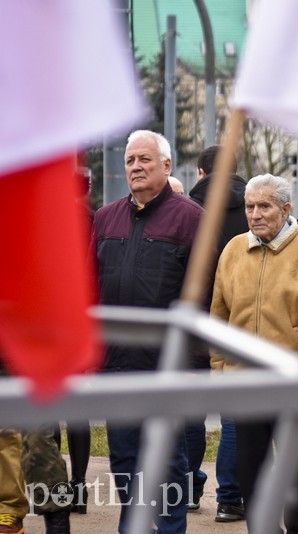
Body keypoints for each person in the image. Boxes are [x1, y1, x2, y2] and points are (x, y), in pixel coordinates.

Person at [93, 129, 204, 534]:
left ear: (167, 166)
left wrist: (194, 361)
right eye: (130, 161)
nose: (136, 167)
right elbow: (91, 288)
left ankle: (171, 528)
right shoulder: (106, 218)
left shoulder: (193, 220)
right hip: (117, 363)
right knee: (123, 457)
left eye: (145, 160)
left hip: (166, 365)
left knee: (169, 458)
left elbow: (204, 296)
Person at [210, 174, 298, 533]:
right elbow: (218, 316)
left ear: (286, 208)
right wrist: (221, 372)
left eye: (264, 206)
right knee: (250, 468)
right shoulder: (233, 249)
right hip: (245, 382)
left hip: (294, 382)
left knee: (297, 468)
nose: (255, 214)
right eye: (250, 206)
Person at [187, 144, 248, 522]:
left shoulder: (185, 210)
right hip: (238, 324)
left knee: (189, 413)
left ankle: (190, 489)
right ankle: (229, 499)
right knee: (234, 416)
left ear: (200, 172)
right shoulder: (253, 206)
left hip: (195, 322)